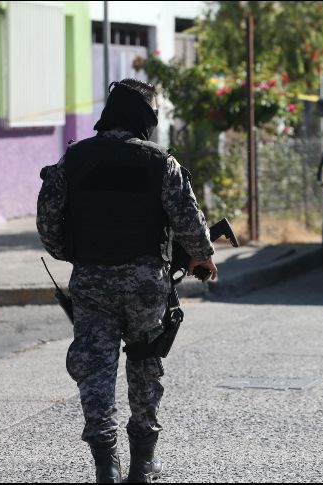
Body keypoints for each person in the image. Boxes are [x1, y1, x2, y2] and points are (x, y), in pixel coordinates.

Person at [36, 78, 217, 483]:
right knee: (145, 362)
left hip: (91, 282)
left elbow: (48, 222)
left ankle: (106, 465)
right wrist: (203, 257)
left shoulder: (75, 158)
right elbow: (189, 222)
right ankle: (143, 463)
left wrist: (75, 255)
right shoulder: (160, 162)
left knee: (95, 367)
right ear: (142, 116)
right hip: (145, 285)